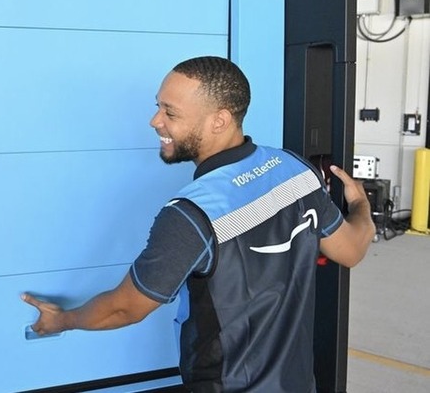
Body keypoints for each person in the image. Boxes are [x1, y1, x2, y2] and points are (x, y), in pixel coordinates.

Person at [21, 56, 375, 393]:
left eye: (169, 112)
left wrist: (61, 321)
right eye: (158, 106)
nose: (155, 121)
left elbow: (124, 307)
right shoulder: (293, 171)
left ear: (219, 121)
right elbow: (352, 250)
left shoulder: (192, 215)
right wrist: (360, 205)